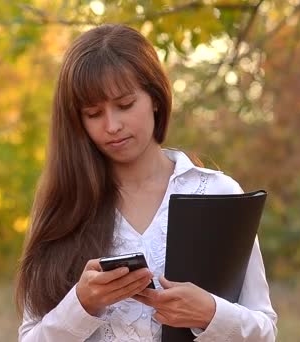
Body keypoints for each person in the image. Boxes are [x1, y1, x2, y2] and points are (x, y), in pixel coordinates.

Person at [15, 24, 277, 341]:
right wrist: (81, 305)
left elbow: (265, 331)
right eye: (93, 113)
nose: (112, 125)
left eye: (125, 105)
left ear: (154, 97)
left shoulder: (218, 195)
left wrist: (210, 313)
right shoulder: (63, 206)